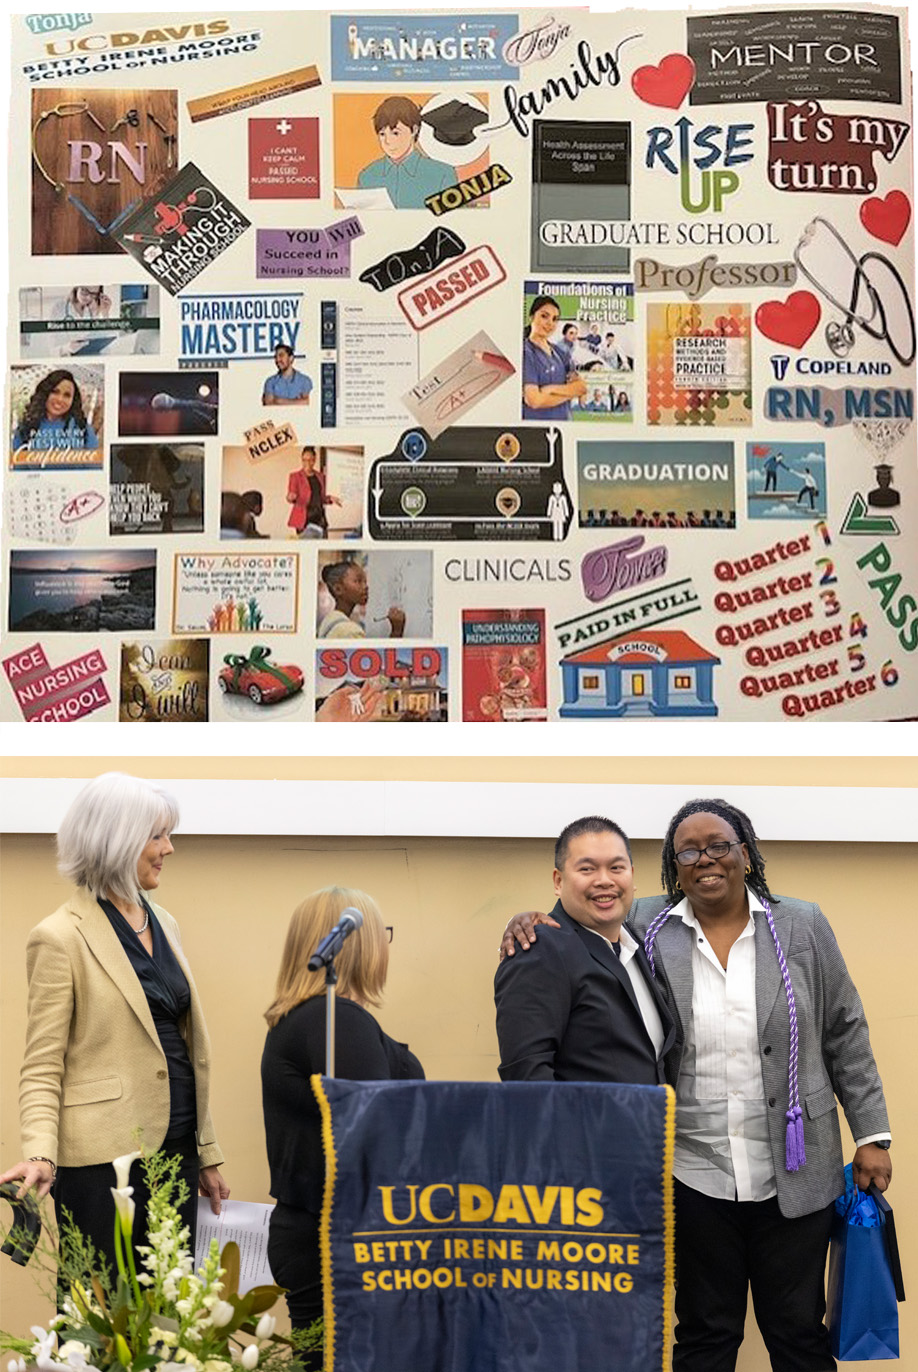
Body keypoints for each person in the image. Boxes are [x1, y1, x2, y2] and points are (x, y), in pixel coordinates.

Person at [500, 797, 891, 1372]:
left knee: (798, 1330)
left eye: (719, 847)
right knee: (706, 1331)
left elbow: (845, 1030)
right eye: (688, 851)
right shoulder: (646, 924)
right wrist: (531, 919)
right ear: (672, 865)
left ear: (746, 854)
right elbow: (586, 921)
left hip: (797, 1165)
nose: (705, 860)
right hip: (690, 1172)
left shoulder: (802, 925)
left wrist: (872, 1134)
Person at [0, 773, 228, 1274]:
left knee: (172, 1313)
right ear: (118, 841)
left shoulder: (163, 921)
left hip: (176, 1148)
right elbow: (42, 1064)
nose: (169, 848)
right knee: (101, 1317)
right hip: (102, 1161)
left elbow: (184, 1045)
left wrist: (206, 1150)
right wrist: (40, 1153)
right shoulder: (58, 937)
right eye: (157, 836)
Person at [262, 887, 424, 1364]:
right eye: (383, 936)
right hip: (338, 1238)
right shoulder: (336, 1019)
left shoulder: (306, 1019)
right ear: (360, 944)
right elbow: (375, 1127)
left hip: (312, 1230)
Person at [494, 817, 674, 1084]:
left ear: (632, 877)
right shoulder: (539, 949)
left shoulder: (638, 944)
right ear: (558, 881)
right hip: (586, 1126)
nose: (604, 880)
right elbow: (527, 1076)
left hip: (652, 1123)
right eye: (587, 869)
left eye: (616, 867)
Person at [357, 96, 453, 209]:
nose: (388, 141)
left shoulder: (443, 175)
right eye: (382, 134)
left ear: (414, 130)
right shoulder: (367, 176)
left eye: (395, 133)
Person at [522, 295, 587, 421]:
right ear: (531, 317)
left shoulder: (560, 352)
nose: (550, 323)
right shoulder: (526, 352)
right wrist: (571, 393)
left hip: (565, 426)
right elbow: (534, 400)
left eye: (555, 319)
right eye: (544, 316)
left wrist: (551, 389)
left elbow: (582, 387)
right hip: (538, 428)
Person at [12, 369, 100, 450]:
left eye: (67, 395)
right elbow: (16, 463)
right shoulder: (26, 427)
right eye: (55, 392)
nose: (60, 399)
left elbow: (96, 464)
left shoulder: (83, 428)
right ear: (45, 393)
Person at [318, 559, 405, 638]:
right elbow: (380, 656)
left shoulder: (329, 620)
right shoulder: (350, 631)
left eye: (365, 582)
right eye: (358, 581)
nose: (366, 586)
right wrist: (397, 631)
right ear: (338, 589)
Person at [287, 445, 341, 537]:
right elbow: (291, 496)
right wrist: (290, 497)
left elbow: (321, 498)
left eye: (310, 460)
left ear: (314, 460)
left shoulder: (320, 477)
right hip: (304, 519)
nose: (306, 463)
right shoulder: (295, 476)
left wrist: (330, 498)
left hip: (319, 518)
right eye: (304, 460)